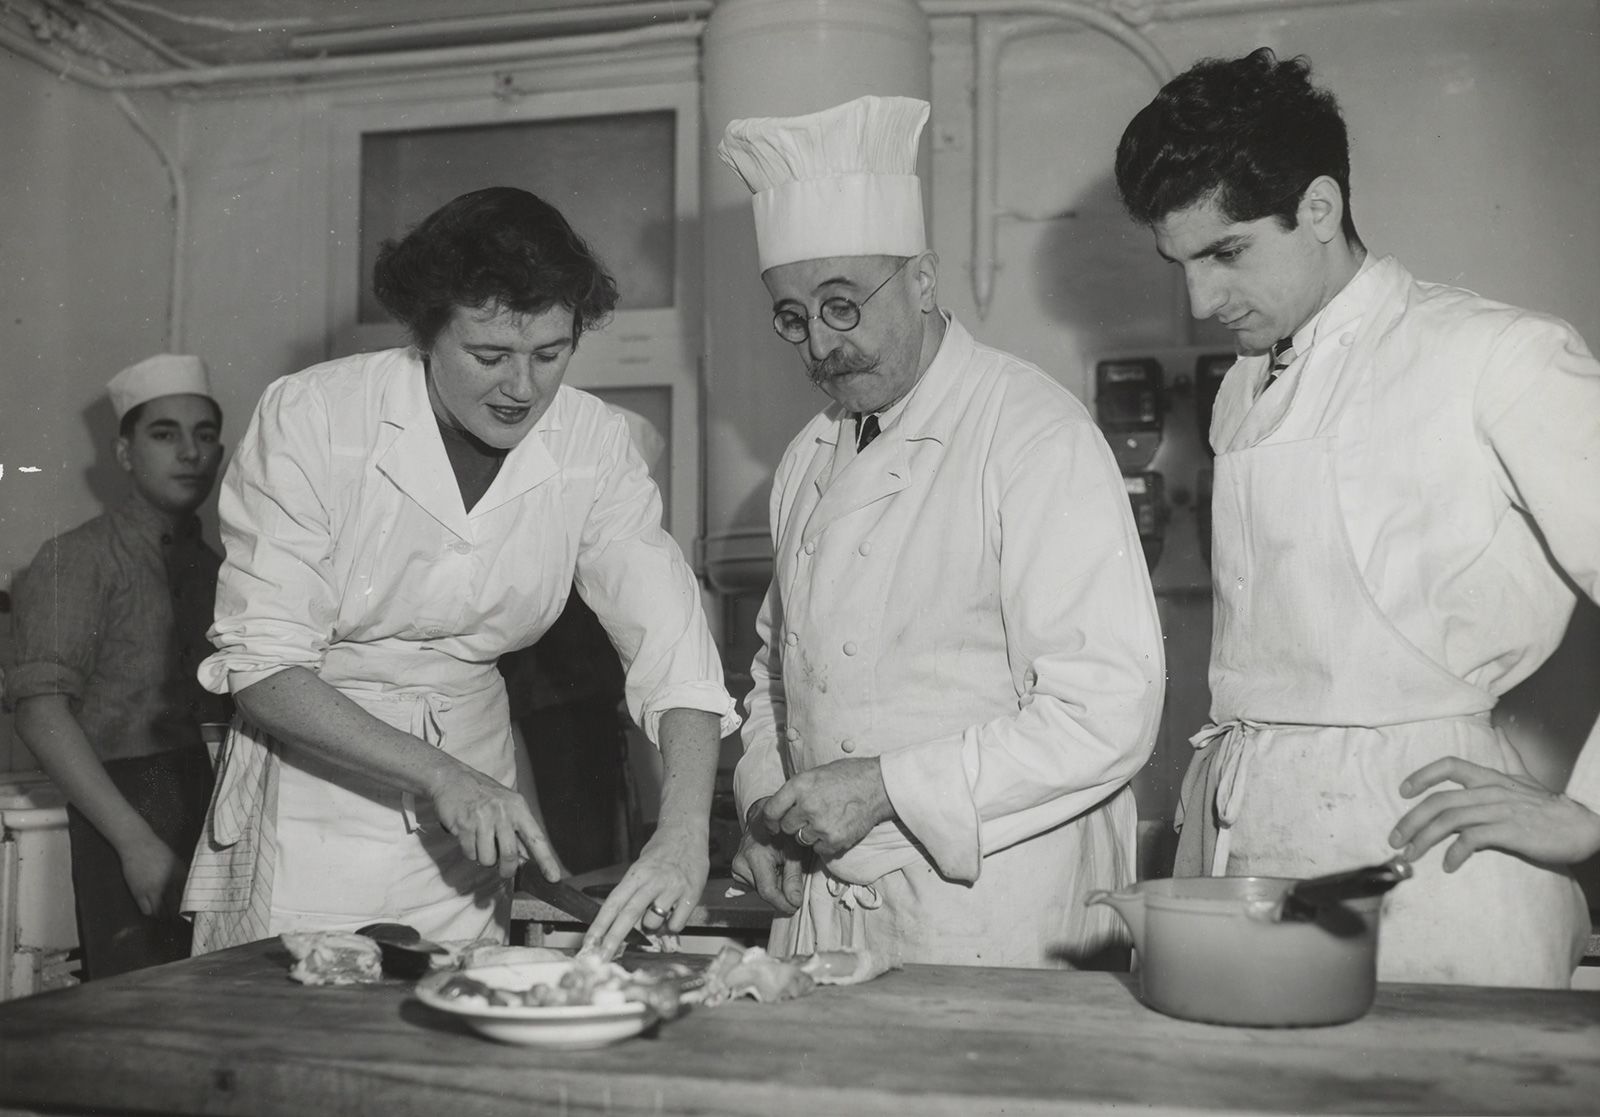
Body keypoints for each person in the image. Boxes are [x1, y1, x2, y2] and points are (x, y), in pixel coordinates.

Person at [1114, 47, 1599, 987]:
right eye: (1180, 263)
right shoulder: (1244, 391)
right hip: (1254, 842)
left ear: (1322, 208)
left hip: (1427, 855)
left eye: (1227, 251)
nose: (1201, 300)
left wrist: (1590, 812)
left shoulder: (1493, 354)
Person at [181, 187, 738, 961]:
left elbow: (673, 651)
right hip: (315, 788)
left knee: (456, 1015)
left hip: (473, 808)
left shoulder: (593, 444)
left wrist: (680, 835)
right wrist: (443, 775)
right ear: (427, 331)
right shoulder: (316, 415)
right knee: (304, 1025)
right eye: (489, 355)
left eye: (551, 354)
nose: (523, 387)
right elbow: (265, 668)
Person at [717, 96, 1165, 968]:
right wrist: (769, 803)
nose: (820, 345)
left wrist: (886, 789)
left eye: (842, 305)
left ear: (922, 280)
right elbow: (778, 675)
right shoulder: (810, 457)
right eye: (793, 316)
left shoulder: (1031, 432)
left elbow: (1106, 707)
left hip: (994, 908)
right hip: (832, 902)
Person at [6, 354, 232, 979]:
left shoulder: (221, 567)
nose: (190, 452)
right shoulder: (75, 558)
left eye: (204, 435)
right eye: (165, 434)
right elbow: (40, 714)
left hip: (211, 799)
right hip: (125, 808)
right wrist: (134, 843)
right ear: (126, 452)